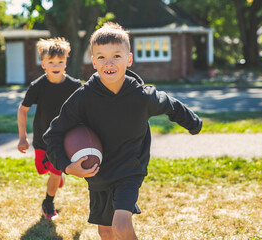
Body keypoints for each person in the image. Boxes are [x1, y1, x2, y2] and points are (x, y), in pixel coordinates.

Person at [43, 23, 202, 239]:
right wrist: (67, 167)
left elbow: (171, 105)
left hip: (129, 170)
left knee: (120, 224)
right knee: (105, 230)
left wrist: (194, 124)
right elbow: (54, 134)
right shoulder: (83, 98)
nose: (109, 63)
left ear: (129, 59)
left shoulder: (142, 96)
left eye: (116, 56)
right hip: (98, 173)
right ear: (93, 62)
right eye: (101, 57)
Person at [17, 37, 81, 220]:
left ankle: (48, 202)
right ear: (43, 64)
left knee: (54, 172)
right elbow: (22, 109)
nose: (56, 65)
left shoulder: (74, 86)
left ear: (66, 63)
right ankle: (57, 176)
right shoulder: (37, 86)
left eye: (60, 61)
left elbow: (84, 110)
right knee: (43, 170)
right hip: (41, 138)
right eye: (51, 61)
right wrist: (22, 137)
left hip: (62, 139)